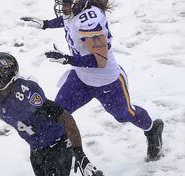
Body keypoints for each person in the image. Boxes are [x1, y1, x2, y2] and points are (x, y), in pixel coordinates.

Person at [20, 0, 164, 161]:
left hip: (107, 82)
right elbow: (68, 20)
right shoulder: (76, 10)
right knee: (57, 114)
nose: (63, 7)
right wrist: (46, 24)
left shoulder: (90, 20)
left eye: (67, 2)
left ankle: (152, 129)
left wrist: (68, 59)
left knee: (125, 115)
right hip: (81, 79)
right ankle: (55, 160)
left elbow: (100, 61)